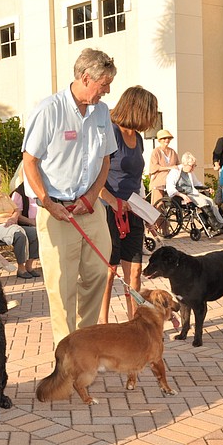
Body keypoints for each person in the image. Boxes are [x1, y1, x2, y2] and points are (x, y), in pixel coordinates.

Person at [21, 47, 118, 345]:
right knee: (62, 287)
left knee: (98, 275)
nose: (108, 91)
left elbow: (105, 160)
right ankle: (67, 353)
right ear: (86, 78)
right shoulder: (49, 109)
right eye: (104, 85)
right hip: (56, 211)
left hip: (90, 208)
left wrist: (91, 197)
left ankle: (84, 344)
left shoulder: (101, 111)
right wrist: (48, 203)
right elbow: (30, 161)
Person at [98, 86, 159, 324]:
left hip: (132, 211)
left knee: (134, 272)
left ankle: (136, 324)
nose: (151, 119)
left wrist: (148, 213)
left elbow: (136, 183)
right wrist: (113, 202)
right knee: (109, 273)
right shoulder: (110, 132)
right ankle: (102, 324)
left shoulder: (139, 139)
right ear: (137, 109)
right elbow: (94, 177)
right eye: (149, 112)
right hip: (108, 210)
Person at [0, 169, 39, 279]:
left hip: (11, 224)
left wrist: (13, 218)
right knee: (19, 234)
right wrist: (6, 220)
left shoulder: (4, 196)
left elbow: (17, 210)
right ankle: (21, 268)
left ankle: (29, 266)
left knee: (35, 233)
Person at [166, 152, 223, 231]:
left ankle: (222, 223)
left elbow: (197, 183)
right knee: (203, 201)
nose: (193, 168)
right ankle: (215, 224)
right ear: (185, 164)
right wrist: (182, 195)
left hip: (192, 193)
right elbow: (170, 188)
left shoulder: (190, 173)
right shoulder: (175, 171)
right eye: (191, 166)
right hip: (181, 194)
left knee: (211, 201)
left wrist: (207, 188)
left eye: (194, 166)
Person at [148, 129, 179, 206]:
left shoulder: (173, 152)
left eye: (168, 138)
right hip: (159, 179)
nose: (167, 140)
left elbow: (177, 165)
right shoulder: (156, 152)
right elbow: (155, 167)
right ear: (160, 140)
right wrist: (170, 168)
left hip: (171, 179)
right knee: (158, 203)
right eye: (164, 138)